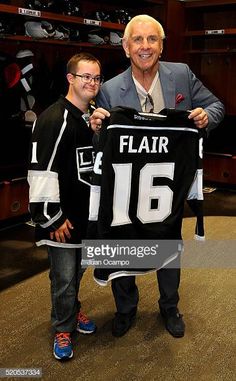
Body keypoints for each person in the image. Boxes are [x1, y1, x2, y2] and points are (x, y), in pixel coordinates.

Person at [89, 15, 225, 338]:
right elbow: (101, 142)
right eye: (138, 40)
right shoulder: (109, 90)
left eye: (152, 40)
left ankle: (169, 306)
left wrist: (206, 118)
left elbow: (216, 106)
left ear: (162, 46)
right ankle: (125, 308)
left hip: (168, 187)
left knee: (168, 244)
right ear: (125, 47)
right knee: (123, 244)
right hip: (127, 189)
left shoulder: (181, 75)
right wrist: (94, 128)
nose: (145, 47)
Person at [28, 52, 103, 360]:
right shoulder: (54, 119)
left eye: (97, 78)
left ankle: (72, 309)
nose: (92, 83)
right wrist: (51, 218)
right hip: (61, 219)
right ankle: (63, 326)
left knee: (76, 274)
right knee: (63, 278)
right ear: (70, 78)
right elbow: (40, 171)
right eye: (86, 77)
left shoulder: (92, 115)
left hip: (85, 214)